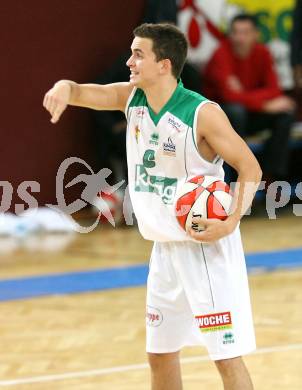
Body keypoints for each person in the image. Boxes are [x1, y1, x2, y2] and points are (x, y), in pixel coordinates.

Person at [43, 23, 262, 390]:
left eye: (138, 54)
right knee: (159, 356)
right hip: (164, 251)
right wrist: (65, 88)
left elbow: (249, 167)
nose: (129, 61)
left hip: (205, 250)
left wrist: (230, 222)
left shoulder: (202, 113)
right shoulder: (134, 99)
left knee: (225, 357)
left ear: (164, 64)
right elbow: (90, 93)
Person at [203, 14, 296, 184]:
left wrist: (250, 99)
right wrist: (264, 104)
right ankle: (243, 177)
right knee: (235, 110)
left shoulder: (262, 52)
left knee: (286, 113)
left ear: (256, 34)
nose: (240, 38)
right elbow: (228, 96)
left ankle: (269, 177)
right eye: (236, 32)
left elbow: (275, 90)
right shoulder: (221, 54)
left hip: (250, 113)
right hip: (221, 121)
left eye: (245, 32)